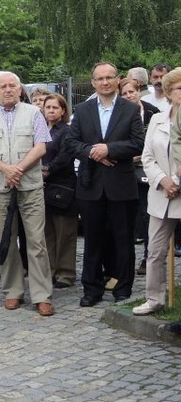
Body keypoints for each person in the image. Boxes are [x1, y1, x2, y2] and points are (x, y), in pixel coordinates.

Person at [64, 62, 145, 307]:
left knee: (123, 239)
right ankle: (92, 288)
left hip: (121, 183)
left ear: (118, 80)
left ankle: (123, 286)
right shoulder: (83, 109)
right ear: (93, 82)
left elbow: (138, 142)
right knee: (93, 239)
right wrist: (92, 152)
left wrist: (110, 149)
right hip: (91, 184)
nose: (105, 82)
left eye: (110, 77)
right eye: (100, 78)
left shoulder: (130, 110)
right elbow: (71, 143)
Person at [0, 71, 54, 316]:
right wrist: (5, 170)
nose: (8, 89)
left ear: (20, 90)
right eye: (3, 86)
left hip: (29, 185)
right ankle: (12, 291)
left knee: (36, 241)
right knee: (6, 240)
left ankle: (42, 295)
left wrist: (17, 169)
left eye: (12, 86)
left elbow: (41, 145)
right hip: (1, 186)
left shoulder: (33, 114)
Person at [133, 67, 181, 315]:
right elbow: (147, 156)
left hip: (177, 190)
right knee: (155, 250)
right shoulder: (157, 119)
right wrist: (163, 180)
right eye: (178, 89)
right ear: (170, 92)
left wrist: (176, 181)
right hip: (161, 193)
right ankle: (154, 298)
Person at [119, 77, 160, 275]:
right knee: (126, 217)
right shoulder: (118, 114)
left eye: (131, 92)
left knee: (146, 216)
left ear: (138, 92)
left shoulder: (152, 112)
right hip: (125, 170)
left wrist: (143, 155)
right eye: (124, 93)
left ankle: (148, 258)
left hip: (147, 170)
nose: (129, 96)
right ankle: (124, 261)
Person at [41, 93, 78, 288]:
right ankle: (51, 270)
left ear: (63, 110)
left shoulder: (67, 131)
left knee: (65, 232)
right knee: (48, 232)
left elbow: (66, 155)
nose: (51, 111)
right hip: (42, 187)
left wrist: (47, 170)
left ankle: (65, 273)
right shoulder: (40, 130)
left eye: (55, 107)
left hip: (63, 186)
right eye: (48, 107)